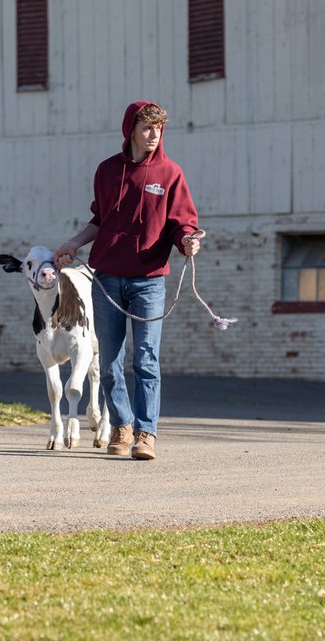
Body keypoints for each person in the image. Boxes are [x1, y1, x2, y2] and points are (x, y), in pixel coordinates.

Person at [54, 100, 201, 461]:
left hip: (149, 281)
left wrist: (187, 239)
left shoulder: (170, 174)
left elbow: (182, 221)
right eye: (148, 128)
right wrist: (73, 243)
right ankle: (121, 424)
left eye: (159, 129)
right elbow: (99, 218)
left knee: (147, 360)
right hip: (106, 279)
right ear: (131, 130)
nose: (154, 135)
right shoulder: (106, 171)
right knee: (109, 363)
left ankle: (146, 433)